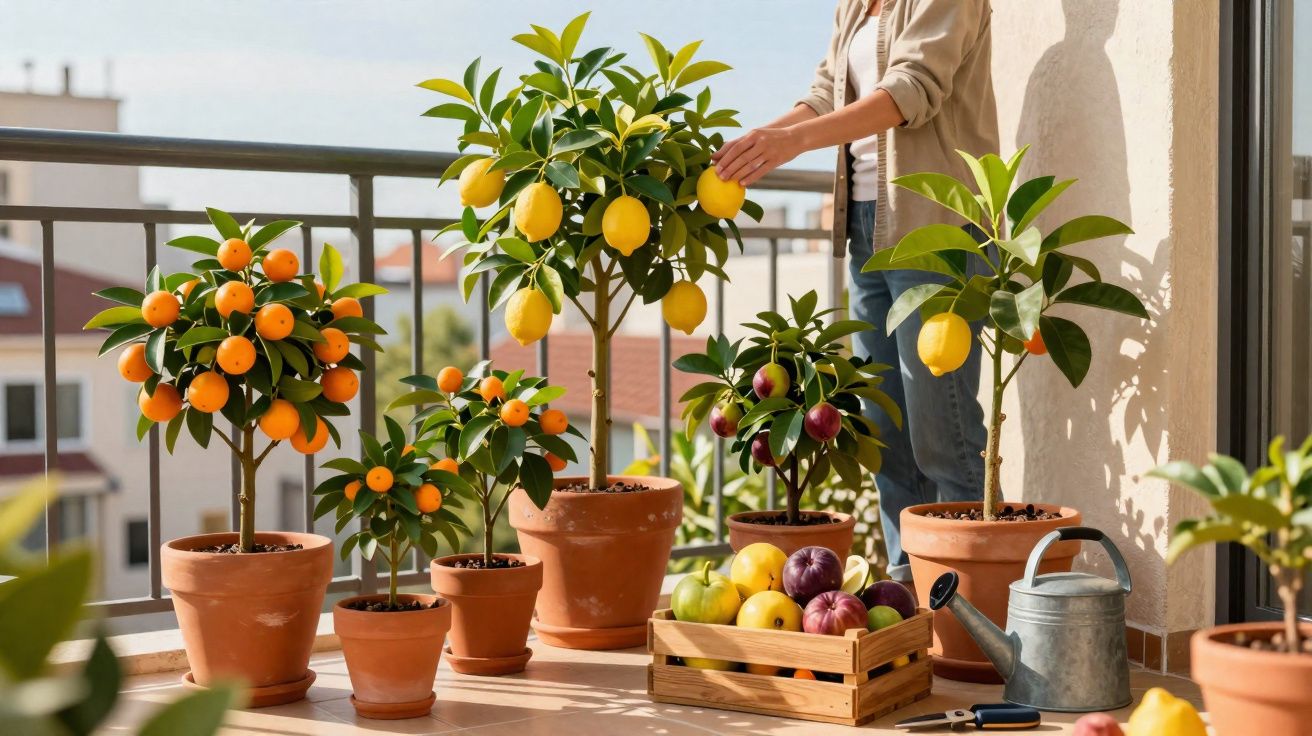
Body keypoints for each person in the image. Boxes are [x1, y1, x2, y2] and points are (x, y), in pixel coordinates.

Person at [713, 0, 998, 589]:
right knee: (883, 424)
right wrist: (763, 140)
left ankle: (974, 597)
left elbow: (910, 92)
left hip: (933, 223)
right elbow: (826, 91)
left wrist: (793, 143)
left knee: (941, 426)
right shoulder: (854, 4)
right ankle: (909, 590)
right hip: (867, 226)